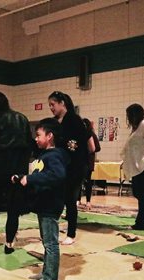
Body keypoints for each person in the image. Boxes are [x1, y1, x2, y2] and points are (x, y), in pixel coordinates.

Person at [15, 118, 68, 280]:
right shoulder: (44, 155)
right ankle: (46, 271)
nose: (36, 138)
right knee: (46, 241)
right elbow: (40, 175)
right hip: (43, 204)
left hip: (51, 205)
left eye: (38, 135)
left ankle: (51, 277)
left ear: (50, 136)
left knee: (51, 243)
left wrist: (30, 179)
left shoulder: (54, 156)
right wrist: (22, 178)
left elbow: (57, 175)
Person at [0, 91, 32, 254]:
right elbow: (28, 145)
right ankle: (9, 244)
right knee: (13, 208)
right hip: (17, 168)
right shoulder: (22, 118)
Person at [48, 91, 88, 245]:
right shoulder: (54, 122)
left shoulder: (74, 120)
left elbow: (78, 145)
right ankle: (54, 231)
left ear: (62, 103)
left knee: (70, 200)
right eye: (49, 105)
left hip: (74, 166)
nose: (51, 108)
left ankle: (71, 233)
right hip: (58, 165)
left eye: (53, 104)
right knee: (57, 199)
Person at [80, 118, 101, 210]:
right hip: (80, 162)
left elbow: (97, 148)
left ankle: (88, 201)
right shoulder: (79, 134)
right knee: (79, 182)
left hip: (88, 162)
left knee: (88, 182)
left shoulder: (91, 134)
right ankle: (78, 200)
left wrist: (88, 150)